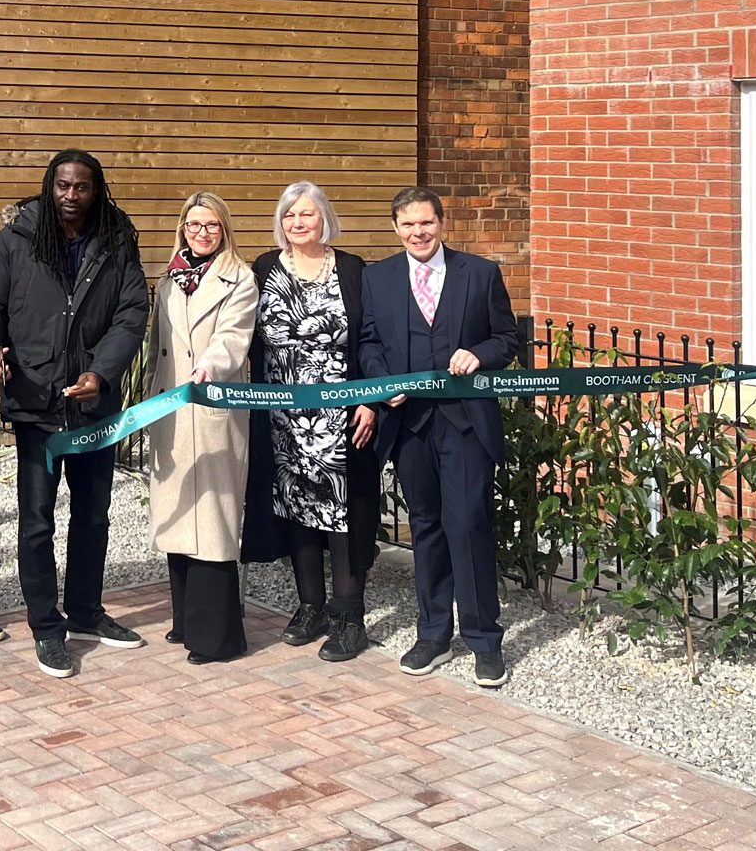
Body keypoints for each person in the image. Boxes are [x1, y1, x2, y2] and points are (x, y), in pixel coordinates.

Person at [0, 149, 149, 679]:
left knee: (93, 514)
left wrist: (103, 372)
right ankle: (48, 626)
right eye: (63, 185)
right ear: (50, 186)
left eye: (82, 187)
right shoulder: (17, 239)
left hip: (93, 404)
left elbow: (132, 311)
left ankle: (87, 612)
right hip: (37, 403)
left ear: (97, 190)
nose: (71, 195)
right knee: (37, 521)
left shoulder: (116, 240)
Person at [358, 187, 521, 687]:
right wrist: (385, 384)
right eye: (408, 225)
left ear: (442, 223)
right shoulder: (377, 277)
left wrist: (479, 354)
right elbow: (367, 342)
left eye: (426, 223)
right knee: (424, 526)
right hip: (409, 425)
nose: (418, 233)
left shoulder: (480, 273)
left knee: (468, 524)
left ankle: (483, 641)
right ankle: (432, 633)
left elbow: (507, 339)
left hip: (464, 422)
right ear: (396, 228)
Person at [240, 182, 380, 663]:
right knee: (298, 505)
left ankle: (349, 616)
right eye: (290, 216)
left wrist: (372, 401)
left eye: (308, 215)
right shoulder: (264, 268)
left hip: (343, 413)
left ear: (325, 219)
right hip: (283, 414)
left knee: (344, 510)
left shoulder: (352, 269)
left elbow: (371, 340)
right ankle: (311, 605)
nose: (299, 223)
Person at [144, 192, 257, 664]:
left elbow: (234, 337)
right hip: (171, 409)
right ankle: (185, 619)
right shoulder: (169, 278)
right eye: (193, 225)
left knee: (212, 519)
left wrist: (209, 368)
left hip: (212, 407)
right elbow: (157, 344)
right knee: (178, 513)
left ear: (224, 228)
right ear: (183, 228)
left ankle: (217, 638)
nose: (202, 233)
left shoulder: (241, 278)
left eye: (210, 225)